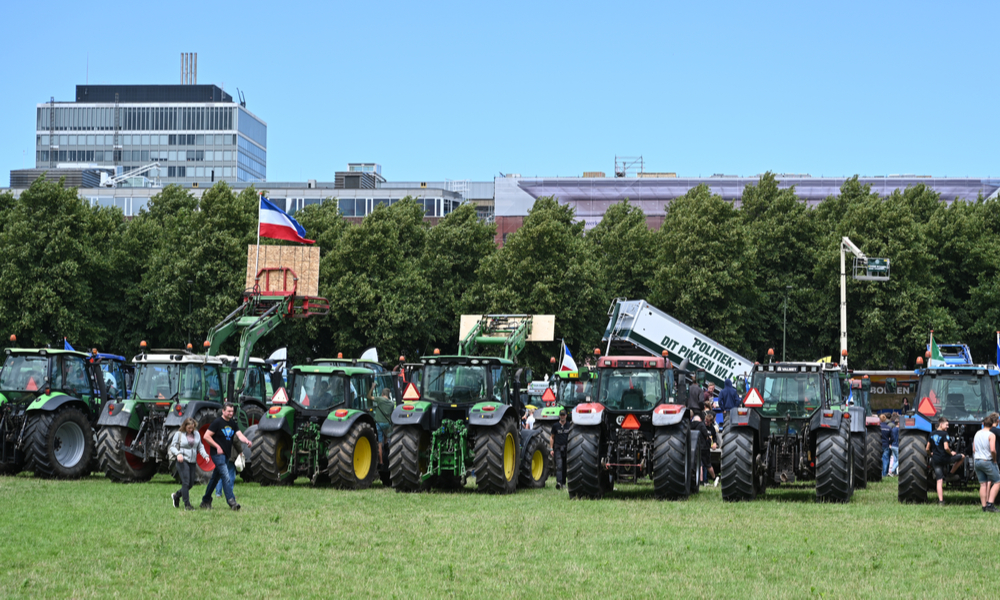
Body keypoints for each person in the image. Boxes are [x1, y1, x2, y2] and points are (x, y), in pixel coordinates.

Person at [201, 403, 252, 510]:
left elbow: (239, 435)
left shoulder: (233, 423)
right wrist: (217, 446)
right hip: (217, 454)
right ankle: (231, 501)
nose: (231, 413)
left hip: (226, 455)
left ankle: (205, 500)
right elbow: (206, 436)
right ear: (223, 411)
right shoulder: (217, 422)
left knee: (215, 479)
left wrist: (246, 441)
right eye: (228, 411)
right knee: (225, 475)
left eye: (232, 411)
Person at [169, 417, 210, 510]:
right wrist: (178, 454)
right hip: (182, 460)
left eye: (193, 427)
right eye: (189, 428)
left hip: (192, 461)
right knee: (186, 482)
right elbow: (172, 447)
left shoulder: (197, 434)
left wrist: (205, 455)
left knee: (191, 484)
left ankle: (176, 495)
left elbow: (200, 446)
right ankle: (187, 505)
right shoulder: (179, 434)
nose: (191, 430)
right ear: (185, 426)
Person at [926, 417, 965, 505]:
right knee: (962, 456)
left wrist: (930, 454)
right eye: (946, 425)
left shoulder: (931, 434)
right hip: (945, 458)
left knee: (939, 480)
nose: (948, 427)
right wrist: (951, 453)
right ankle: (950, 474)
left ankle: (941, 501)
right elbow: (946, 448)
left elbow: (927, 448)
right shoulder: (944, 434)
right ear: (941, 424)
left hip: (936, 460)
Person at [973, 412, 1000, 512]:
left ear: (983, 424)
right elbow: (993, 450)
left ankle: (984, 507)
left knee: (983, 484)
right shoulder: (991, 435)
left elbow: (974, 449)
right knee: (997, 482)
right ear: (993, 424)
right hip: (987, 461)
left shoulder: (977, 433)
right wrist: (995, 459)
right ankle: (990, 504)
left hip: (977, 461)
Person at [692, 409, 718, 486]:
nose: (706, 423)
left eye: (708, 422)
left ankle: (714, 478)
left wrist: (715, 443)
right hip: (700, 447)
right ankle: (701, 481)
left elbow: (714, 437)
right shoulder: (701, 425)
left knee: (708, 465)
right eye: (705, 421)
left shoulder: (712, 428)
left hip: (706, 449)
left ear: (711, 422)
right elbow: (706, 435)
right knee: (700, 465)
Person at [549, 410, 571, 490]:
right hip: (557, 448)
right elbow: (552, 437)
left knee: (565, 466)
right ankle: (559, 482)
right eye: (561, 415)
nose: (562, 416)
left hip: (566, 448)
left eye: (563, 415)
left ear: (566, 416)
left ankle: (563, 483)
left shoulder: (569, 425)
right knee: (559, 465)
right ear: (559, 416)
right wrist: (551, 449)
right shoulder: (555, 426)